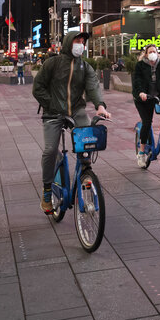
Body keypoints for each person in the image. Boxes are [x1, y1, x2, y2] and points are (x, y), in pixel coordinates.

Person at [32, 31, 110, 214]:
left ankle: (85, 168)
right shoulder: (53, 63)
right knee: (50, 149)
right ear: (69, 42)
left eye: (83, 42)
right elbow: (38, 87)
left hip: (76, 110)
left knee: (88, 135)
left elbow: (93, 87)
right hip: (52, 112)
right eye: (77, 40)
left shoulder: (85, 67)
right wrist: (51, 104)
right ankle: (47, 191)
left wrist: (100, 106)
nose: (81, 44)